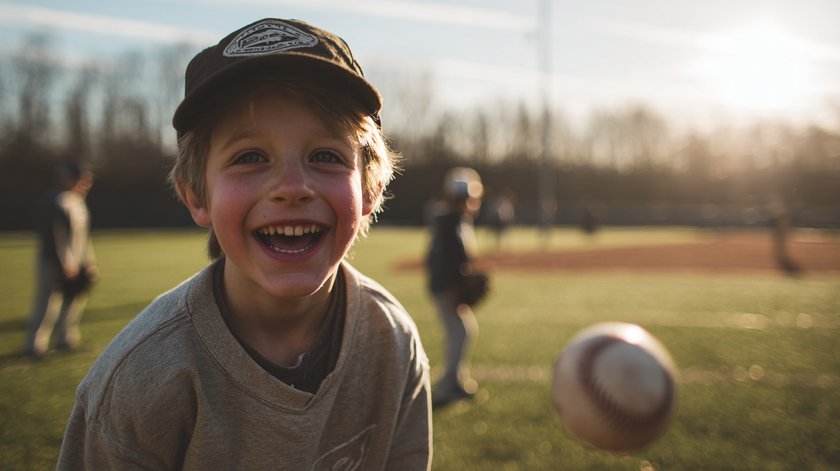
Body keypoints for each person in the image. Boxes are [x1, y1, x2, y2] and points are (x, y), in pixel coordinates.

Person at [57, 18, 431, 470]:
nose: (291, 187)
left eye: (326, 156)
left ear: (369, 190)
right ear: (197, 195)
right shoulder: (142, 378)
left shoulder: (392, 341)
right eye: (249, 157)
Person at [25, 162, 96, 359]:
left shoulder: (78, 203)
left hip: (75, 263)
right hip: (52, 262)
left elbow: (83, 237)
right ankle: (34, 345)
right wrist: (66, 262)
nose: (86, 184)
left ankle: (65, 339)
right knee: (48, 302)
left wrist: (88, 261)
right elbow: (55, 236)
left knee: (72, 301)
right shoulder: (56, 201)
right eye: (82, 179)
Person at [426, 167, 484, 408]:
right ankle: (449, 385)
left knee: (460, 332)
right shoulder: (450, 222)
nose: (467, 202)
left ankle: (456, 381)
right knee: (460, 333)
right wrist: (452, 287)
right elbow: (443, 260)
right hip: (446, 288)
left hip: (446, 286)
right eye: (463, 198)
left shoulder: (454, 220)